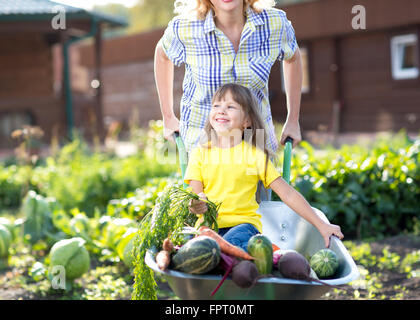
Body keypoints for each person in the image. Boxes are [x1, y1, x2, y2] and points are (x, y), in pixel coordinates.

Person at [184, 83, 343, 252]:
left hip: (243, 226)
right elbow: (194, 197)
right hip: (208, 227)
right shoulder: (199, 153)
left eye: (230, 106)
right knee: (201, 247)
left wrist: (322, 225)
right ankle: (241, 259)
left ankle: (248, 257)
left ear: (247, 121)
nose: (221, 110)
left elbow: (287, 194)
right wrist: (196, 204)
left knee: (229, 243)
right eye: (216, 105)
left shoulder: (255, 156)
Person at [155, 0, 303, 156]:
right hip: (203, 144)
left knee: (265, 180)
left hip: (256, 142)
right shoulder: (185, 28)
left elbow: (293, 57)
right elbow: (162, 55)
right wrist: (168, 117)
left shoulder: (274, 24)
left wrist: (293, 120)